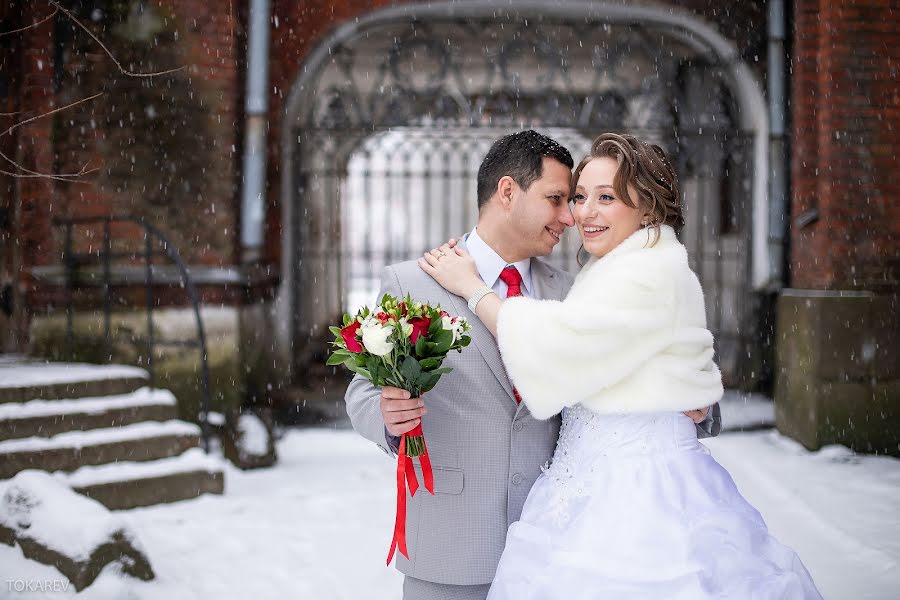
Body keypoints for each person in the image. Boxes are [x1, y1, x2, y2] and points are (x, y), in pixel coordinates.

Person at [419, 132, 822, 599]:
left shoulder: (648, 273)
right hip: (585, 483)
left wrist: (475, 291)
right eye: (579, 196)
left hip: (635, 495)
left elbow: (559, 349)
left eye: (605, 198)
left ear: (648, 207)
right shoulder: (613, 270)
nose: (581, 214)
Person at [345, 130, 719, 600]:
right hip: (451, 545)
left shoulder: (577, 290)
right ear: (507, 192)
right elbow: (362, 389)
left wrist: (696, 405)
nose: (571, 216)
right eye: (560, 199)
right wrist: (385, 415)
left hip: (563, 546)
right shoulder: (411, 284)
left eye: (580, 200)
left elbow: (665, 359)